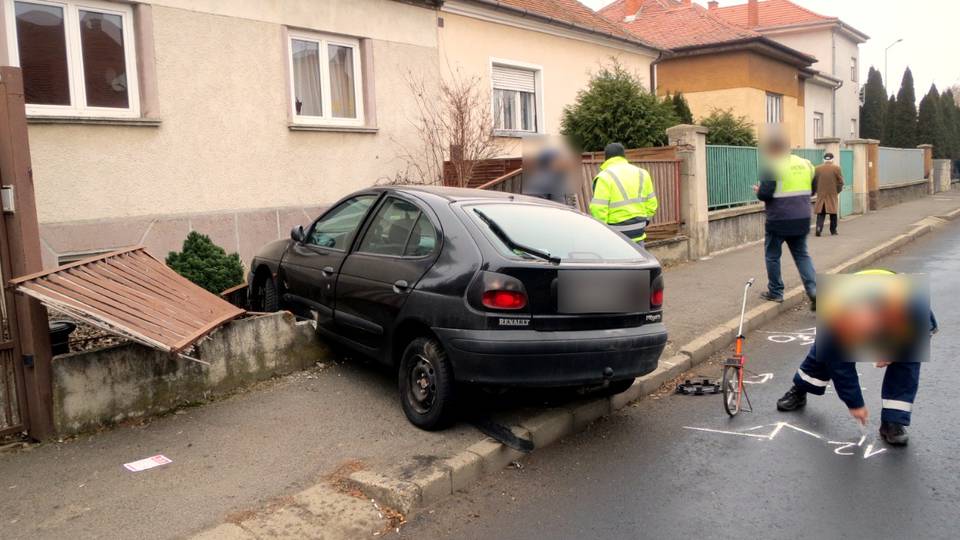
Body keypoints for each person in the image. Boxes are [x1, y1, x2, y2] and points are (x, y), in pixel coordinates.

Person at [776, 269, 937, 446]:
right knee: (824, 352)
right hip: (849, 302)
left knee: (908, 358)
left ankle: (894, 421)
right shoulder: (838, 313)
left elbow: (923, 333)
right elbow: (839, 366)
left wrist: (895, 350)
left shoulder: (913, 305)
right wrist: (855, 404)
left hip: (897, 309)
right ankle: (800, 389)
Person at [753, 136, 817, 310]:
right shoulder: (806, 164)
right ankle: (815, 290)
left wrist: (758, 191)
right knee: (802, 255)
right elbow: (813, 189)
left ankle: (776, 292)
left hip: (779, 219)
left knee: (772, 255)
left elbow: (765, 194)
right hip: (802, 218)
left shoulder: (771, 166)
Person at [589, 143, 658, 245]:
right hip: (639, 230)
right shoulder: (643, 173)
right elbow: (652, 203)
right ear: (623, 156)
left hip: (616, 234)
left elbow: (598, 209)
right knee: (640, 259)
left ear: (606, 158)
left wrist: (602, 233)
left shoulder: (604, 177)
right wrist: (645, 220)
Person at [813, 152, 844, 236]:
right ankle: (833, 230)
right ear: (832, 159)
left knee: (821, 213)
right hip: (832, 194)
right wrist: (837, 191)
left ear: (824, 159)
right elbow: (841, 182)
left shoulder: (817, 168)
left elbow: (814, 181)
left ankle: (819, 228)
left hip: (821, 194)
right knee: (833, 213)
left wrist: (816, 191)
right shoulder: (836, 168)